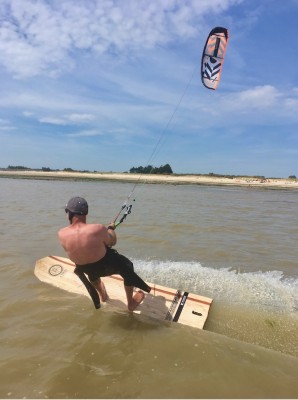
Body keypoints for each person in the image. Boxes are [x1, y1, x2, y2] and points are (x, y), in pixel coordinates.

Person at [58, 196, 151, 311]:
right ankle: (131, 303)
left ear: (69, 213)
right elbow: (112, 241)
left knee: (90, 267)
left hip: (87, 270)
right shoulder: (97, 229)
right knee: (128, 266)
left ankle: (103, 295)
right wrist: (111, 228)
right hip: (107, 267)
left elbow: (79, 249)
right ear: (86, 213)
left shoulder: (61, 234)